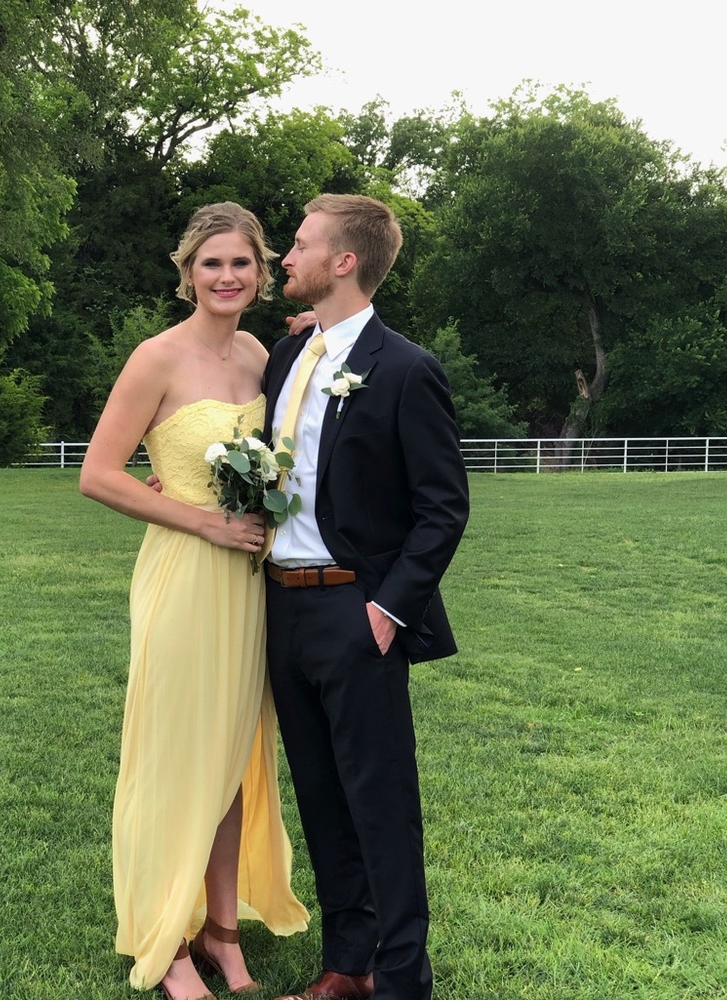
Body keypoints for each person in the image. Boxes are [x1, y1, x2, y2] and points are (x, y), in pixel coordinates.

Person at [79, 202, 310, 1000]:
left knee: (231, 759)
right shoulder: (156, 358)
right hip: (185, 574)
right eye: (211, 263)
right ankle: (170, 940)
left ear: (259, 271)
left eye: (240, 263)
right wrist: (203, 522)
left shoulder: (262, 355)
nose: (226, 276)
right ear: (188, 273)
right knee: (178, 757)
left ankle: (222, 932)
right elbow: (98, 474)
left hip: (252, 585)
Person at [262, 195, 470, 1000]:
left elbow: (443, 507)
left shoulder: (407, 369)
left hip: (359, 612)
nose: (286, 256)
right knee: (319, 795)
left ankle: (400, 982)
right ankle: (346, 968)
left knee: (379, 804)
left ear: (344, 262)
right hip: (281, 609)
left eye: (300, 244)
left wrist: (387, 612)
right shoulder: (288, 358)